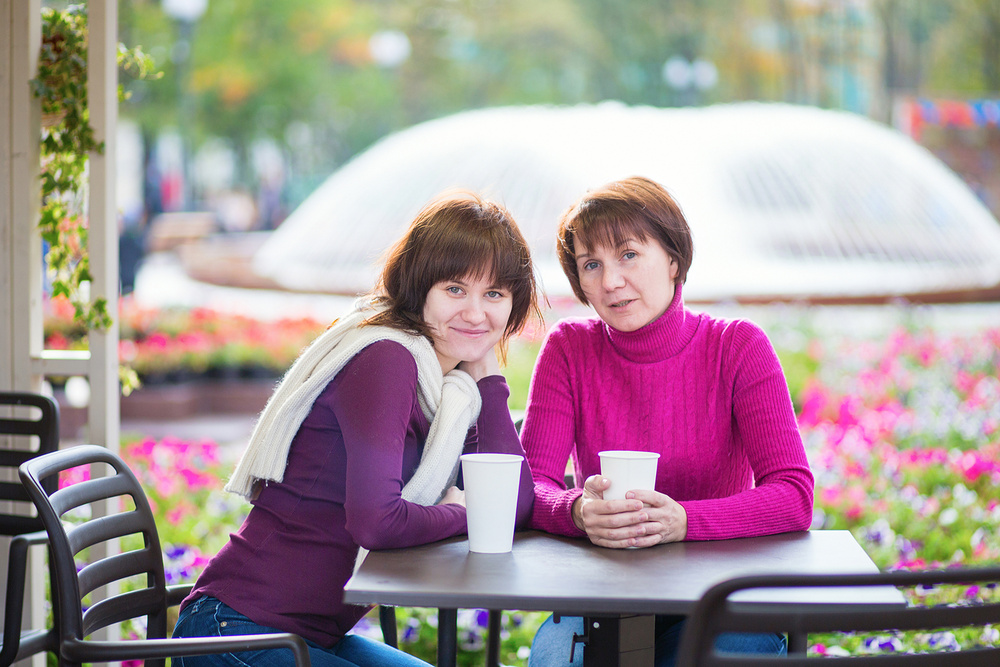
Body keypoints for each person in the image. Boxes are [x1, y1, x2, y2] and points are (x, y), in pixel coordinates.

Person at [172, 190, 541, 667]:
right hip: (236, 632)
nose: (475, 313)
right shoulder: (387, 359)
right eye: (455, 289)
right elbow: (377, 520)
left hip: (304, 634)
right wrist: (464, 512)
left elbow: (516, 501)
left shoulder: (448, 386)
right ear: (418, 287)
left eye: (494, 294)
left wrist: (489, 376)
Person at [522, 176, 814, 666]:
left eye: (629, 254)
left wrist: (684, 521)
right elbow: (531, 486)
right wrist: (576, 510)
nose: (611, 281)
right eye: (591, 264)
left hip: (720, 596)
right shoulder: (568, 350)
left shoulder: (737, 347)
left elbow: (794, 493)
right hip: (600, 596)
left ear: (674, 260)